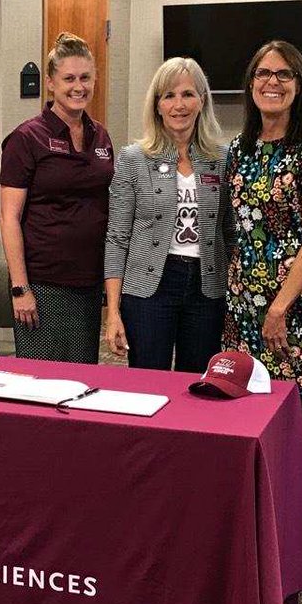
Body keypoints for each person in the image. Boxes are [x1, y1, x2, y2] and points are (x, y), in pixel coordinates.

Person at [223, 40, 302, 407]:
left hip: (292, 300)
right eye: (264, 73)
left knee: (286, 406)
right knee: (243, 399)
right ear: (251, 82)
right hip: (244, 298)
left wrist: (279, 307)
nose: (273, 82)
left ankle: (288, 469)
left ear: (299, 84)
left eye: (284, 74)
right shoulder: (240, 147)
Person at [104, 57, 227, 372]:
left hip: (206, 287)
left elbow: (230, 233)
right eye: (169, 96)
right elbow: (117, 238)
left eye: (188, 94)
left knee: (198, 386)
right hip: (148, 288)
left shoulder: (222, 159)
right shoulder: (133, 159)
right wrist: (113, 311)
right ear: (156, 105)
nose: (179, 104)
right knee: (148, 382)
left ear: (202, 100)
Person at [0, 33, 114, 363]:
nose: (78, 87)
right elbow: (8, 218)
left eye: (85, 78)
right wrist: (20, 289)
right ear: (50, 82)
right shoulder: (27, 137)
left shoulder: (101, 135)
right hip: (42, 284)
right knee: (41, 383)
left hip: (88, 283)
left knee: (82, 378)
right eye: (68, 79)